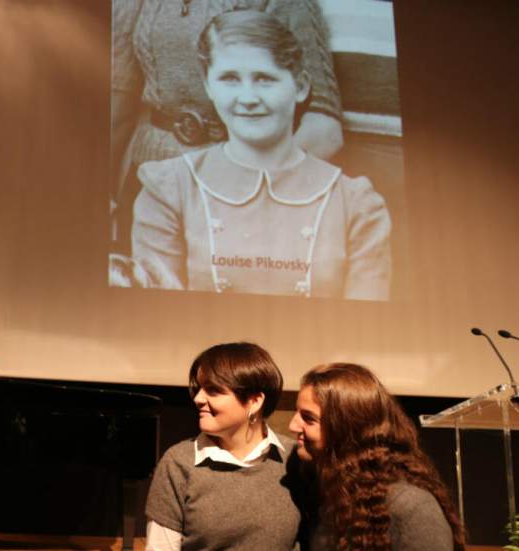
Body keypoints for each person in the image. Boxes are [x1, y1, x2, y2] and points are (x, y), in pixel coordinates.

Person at [130, 10, 391, 299]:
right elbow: (161, 316)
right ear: (208, 85)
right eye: (229, 78)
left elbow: (364, 325)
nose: (248, 98)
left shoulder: (355, 204)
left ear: (301, 86)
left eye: (265, 79)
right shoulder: (169, 190)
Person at [111, 0, 344, 251]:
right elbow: (116, 110)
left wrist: (250, 192)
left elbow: (324, 129)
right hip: (150, 185)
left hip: (242, 190)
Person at [288, 363, 466, 550]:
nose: (293, 425)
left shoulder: (411, 506)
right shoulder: (330, 498)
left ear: (346, 428)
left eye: (308, 418)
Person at [145, 342, 301, 550]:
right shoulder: (179, 462)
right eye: (199, 389)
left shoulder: (294, 459)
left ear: (254, 401)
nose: (199, 399)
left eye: (213, 390)